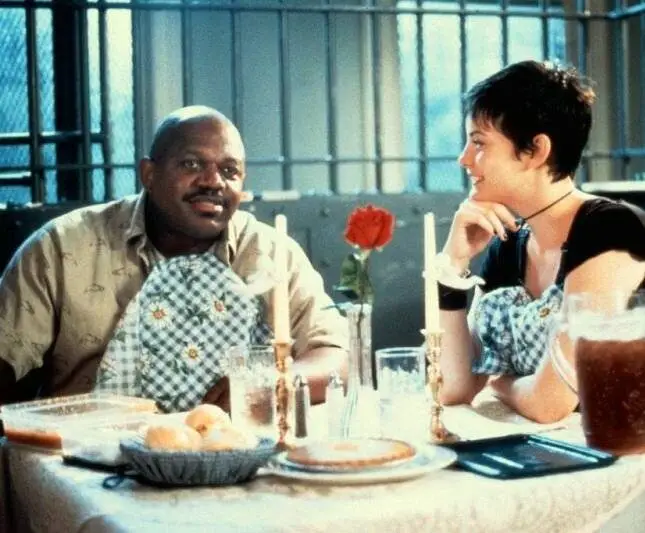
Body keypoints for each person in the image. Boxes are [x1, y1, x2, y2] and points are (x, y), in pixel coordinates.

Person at [0, 105, 348, 412]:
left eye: (230, 171)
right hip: (87, 454)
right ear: (149, 175)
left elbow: (336, 359)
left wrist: (268, 383)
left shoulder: (272, 253)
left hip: (229, 448)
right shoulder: (60, 247)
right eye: (191, 164)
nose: (213, 182)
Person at [436, 60, 645, 423]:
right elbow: (454, 386)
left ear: (536, 150)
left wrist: (498, 382)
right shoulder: (509, 243)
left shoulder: (611, 228)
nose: (463, 159)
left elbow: (549, 403)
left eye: (479, 143)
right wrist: (452, 267)